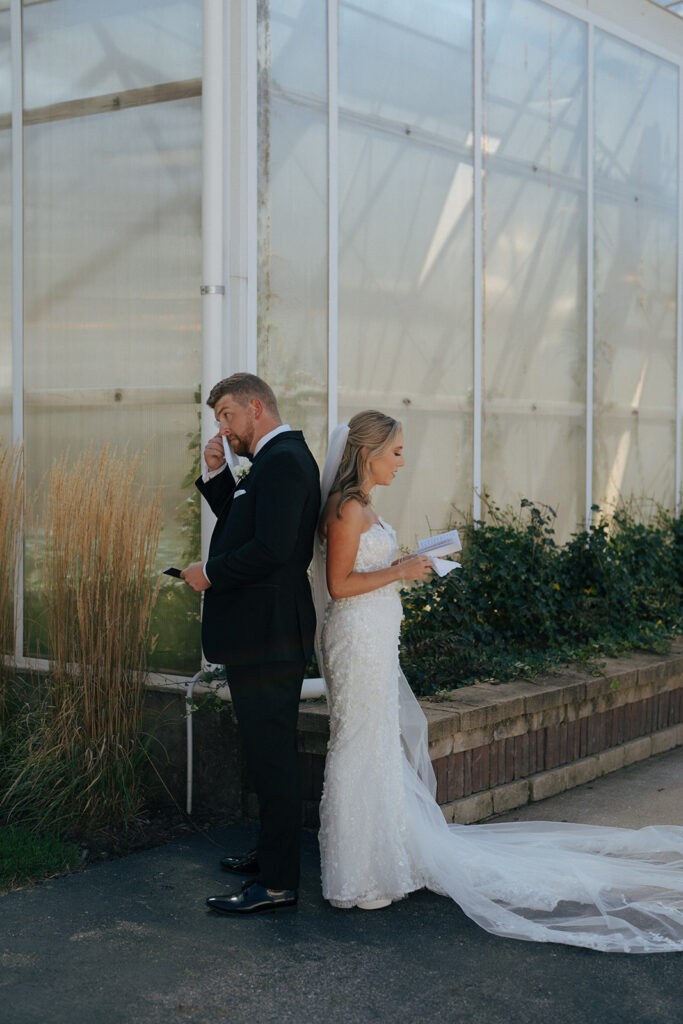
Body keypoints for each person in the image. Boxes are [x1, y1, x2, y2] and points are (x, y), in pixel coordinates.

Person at [311, 411, 683, 952]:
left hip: (375, 637)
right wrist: (402, 571)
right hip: (357, 641)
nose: (403, 461)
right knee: (357, 744)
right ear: (367, 454)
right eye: (396, 452)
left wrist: (413, 561)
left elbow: (363, 573)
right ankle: (358, 874)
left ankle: (383, 860)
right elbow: (340, 585)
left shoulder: (363, 505)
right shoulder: (345, 507)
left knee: (376, 743)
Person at [182, 373, 320, 915]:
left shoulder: (284, 460)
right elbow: (247, 524)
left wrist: (210, 574)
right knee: (265, 753)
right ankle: (269, 855)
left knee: (273, 755)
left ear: (255, 408)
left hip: (271, 633)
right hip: (262, 631)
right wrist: (219, 475)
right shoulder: (269, 461)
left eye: (227, 417)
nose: (222, 427)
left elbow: (271, 548)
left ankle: (280, 882)